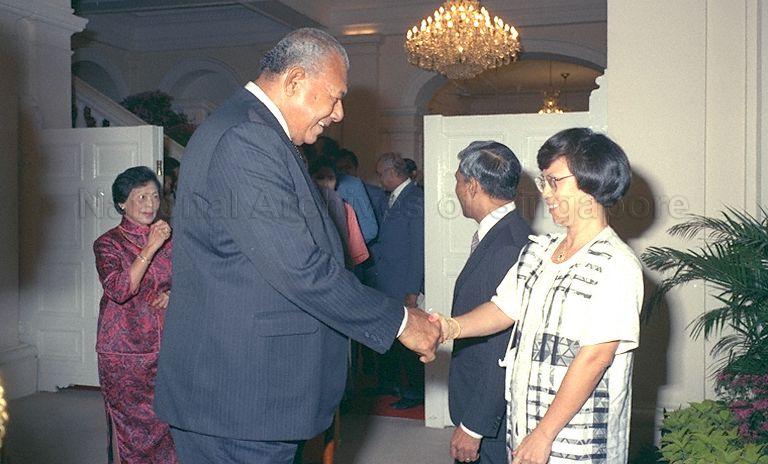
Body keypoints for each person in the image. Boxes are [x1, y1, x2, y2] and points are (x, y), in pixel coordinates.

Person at [154, 28, 439, 464]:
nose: (340, 113)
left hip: (245, 392)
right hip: (241, 398)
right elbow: (300, 268)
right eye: (335, 96)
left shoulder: (249, 128)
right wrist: (402, 322)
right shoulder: (247, 138)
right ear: (294, 82)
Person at [434, 128, 643, 464]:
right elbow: (502, 309)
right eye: (544, 181)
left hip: (575, 438)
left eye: (554, 181)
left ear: (591, 183)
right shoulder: (540, 252)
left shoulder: (616, 264)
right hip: (525, 426)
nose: (545, 192)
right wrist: (447, 328)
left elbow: (594, 358)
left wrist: (544, 433)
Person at [448, 141, 532, 464]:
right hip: (475, 400)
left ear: (472, 186)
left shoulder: (508, 246)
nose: (456, 189)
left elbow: (504, 346)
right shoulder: (503, 233)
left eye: (457, 180)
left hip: (489, 417)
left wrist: (474, 425)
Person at [93, 166, 176, 463]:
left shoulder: (171, 237)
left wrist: (174, 295)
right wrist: (151, 247)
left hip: (165, 349)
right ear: (121, 204)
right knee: (131, 433)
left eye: (154, 196)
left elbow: (190, 279)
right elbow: (119, 289)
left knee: (167, 425)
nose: (150, 204)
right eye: (140, 197)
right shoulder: (108, 243)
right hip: (124, 355)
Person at [369, 152, 425, 409]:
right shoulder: (389, 198)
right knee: (390, 335)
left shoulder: (415, 199)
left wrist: (412, 290)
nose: (380, 180)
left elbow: (418, 249)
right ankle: (391, 384)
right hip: (386, 281)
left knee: (409, 338)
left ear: (392, 173)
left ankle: (414, 392)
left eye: (381, 174)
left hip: (403, 283)